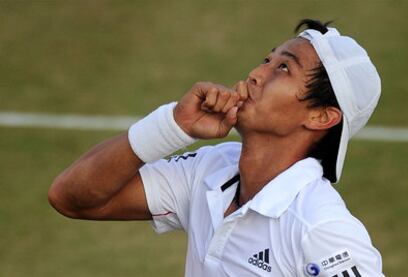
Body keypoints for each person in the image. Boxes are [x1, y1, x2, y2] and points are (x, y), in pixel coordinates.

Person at [48, 19, 384, 276]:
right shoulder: (209, 171)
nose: (255, 74)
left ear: (321, 116)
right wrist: (172, 127)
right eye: (267, 60)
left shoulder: (321, 229)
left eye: (283, 68)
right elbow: (73, 199)